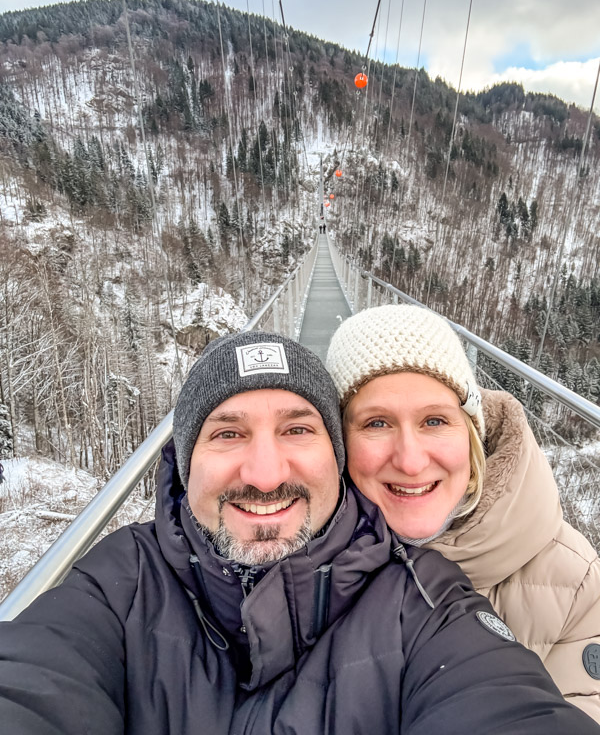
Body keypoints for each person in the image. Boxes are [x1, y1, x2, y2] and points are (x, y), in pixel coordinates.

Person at [0, 332, 597, 735]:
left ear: (334, 461)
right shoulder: (119, 582)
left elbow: (498, 702)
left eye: (297, 430)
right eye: (227, 434)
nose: (264, 474)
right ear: (185, 464)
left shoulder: (425, 602)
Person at [326, 303, 600, 722]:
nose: (411, 461)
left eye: (435, 421)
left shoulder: (573, 582)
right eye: (376, 423)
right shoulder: (294, 556)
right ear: (339, 444)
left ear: (471, 434)